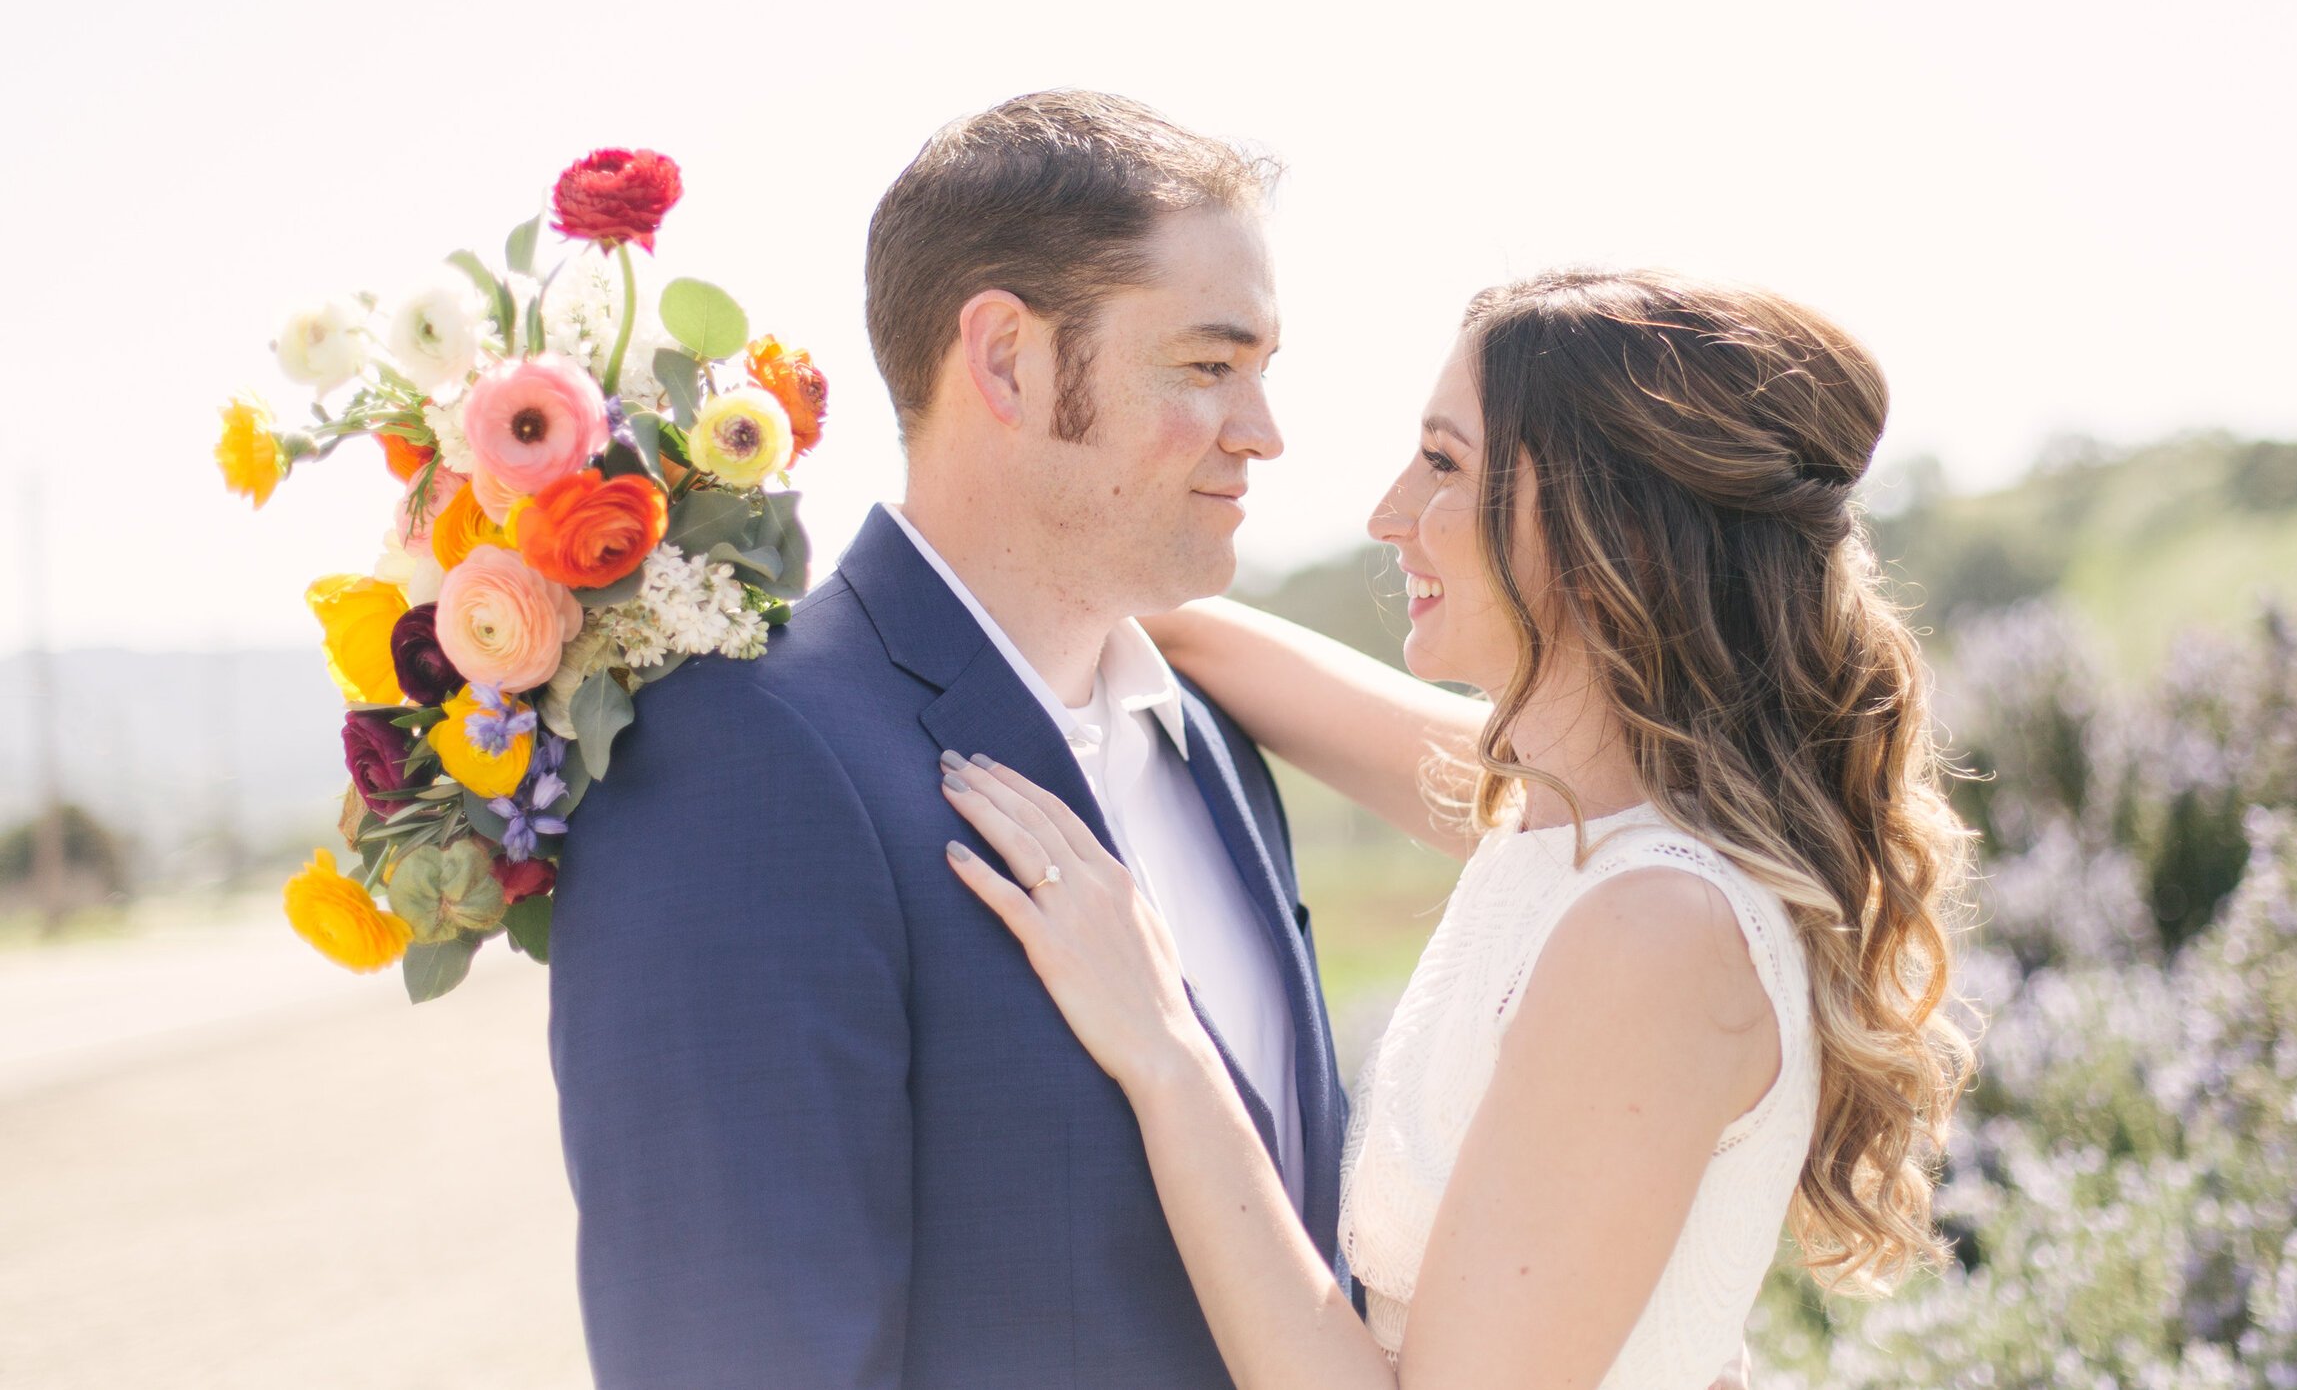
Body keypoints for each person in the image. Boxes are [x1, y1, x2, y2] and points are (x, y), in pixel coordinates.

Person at [941, 269, 1979, 1388]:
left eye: (1444, 463)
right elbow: (1205, 641)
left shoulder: (1655, 929)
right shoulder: (1559, 811)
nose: (1389, 512)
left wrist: (1163, 1043)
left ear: (1608, 531)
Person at [548, 91, 1350, 1388]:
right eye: (1209, 365)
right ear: (1007, 360)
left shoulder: (1212, 748)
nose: (1262, 429)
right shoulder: (745, 759)